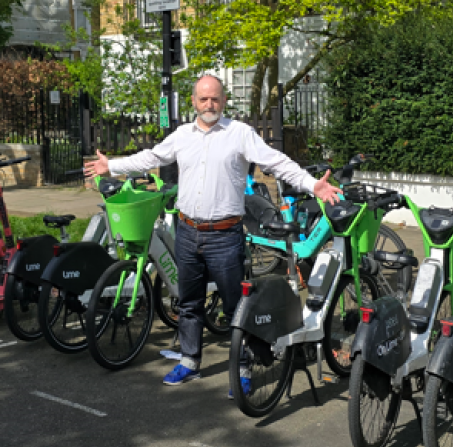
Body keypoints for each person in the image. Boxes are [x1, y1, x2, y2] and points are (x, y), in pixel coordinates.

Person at [84, 74, 341, 393]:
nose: (209, 104)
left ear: (224, 101)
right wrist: (114, 167)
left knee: (236, 307)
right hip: (189, 232)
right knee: (189, 302)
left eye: (215, 98)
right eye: (203, 99)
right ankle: (190, 361)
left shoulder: (239, 134)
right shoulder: (181, 136)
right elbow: (151, 157)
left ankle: (243, 367)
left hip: (225, 236)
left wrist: (311, 184)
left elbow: (277, 162)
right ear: (193, 101)